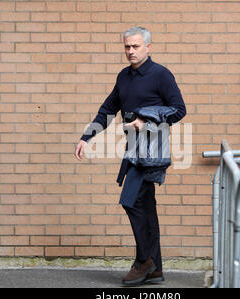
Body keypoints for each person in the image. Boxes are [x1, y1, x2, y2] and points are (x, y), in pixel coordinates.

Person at [74, 26, 186, 285]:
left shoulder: (161, 75)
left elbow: (179, 110)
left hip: (153, 149)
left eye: (136, 46)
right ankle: (155, 268)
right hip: (133, 148)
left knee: (131, 201)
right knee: (146, 207)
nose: (131, 51)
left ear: (148, 46)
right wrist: (86, 137)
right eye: (127, 47)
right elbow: (108, 110)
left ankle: (143, 261)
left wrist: (145, 119)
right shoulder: (123, 77)